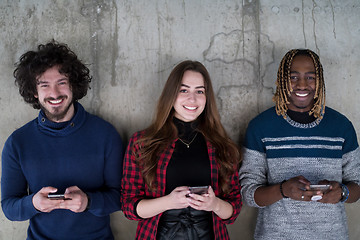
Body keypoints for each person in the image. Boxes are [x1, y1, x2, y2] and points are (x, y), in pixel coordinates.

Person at [1, 40, 123, 240]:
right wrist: (33, 204)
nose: (54, 93)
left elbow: (121, 197)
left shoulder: (105, 135)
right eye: (44, 85)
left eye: (61, 83)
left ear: (73, 86)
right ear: (34, 91)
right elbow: (9, 207)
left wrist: (88, 201)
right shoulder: (17, 143)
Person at [239, 49, 360, 239]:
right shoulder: (260, 127)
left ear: (319, 81)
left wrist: (342, 192)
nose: (302, 85)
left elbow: (357, 186)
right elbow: (248, 193)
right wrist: (283, 190)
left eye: (310, 77)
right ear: (281, 80)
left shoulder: (341, 127)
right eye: (293, 77)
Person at [121, 60, 241, 239]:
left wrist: (214, 204)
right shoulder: (142, 143)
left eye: (199, 91)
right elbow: (129, 207)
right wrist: (168, 202)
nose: (192, 99)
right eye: (183, 90)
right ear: (171, 94)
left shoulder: (223, 146)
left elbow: (234, 210)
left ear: (207, 97)